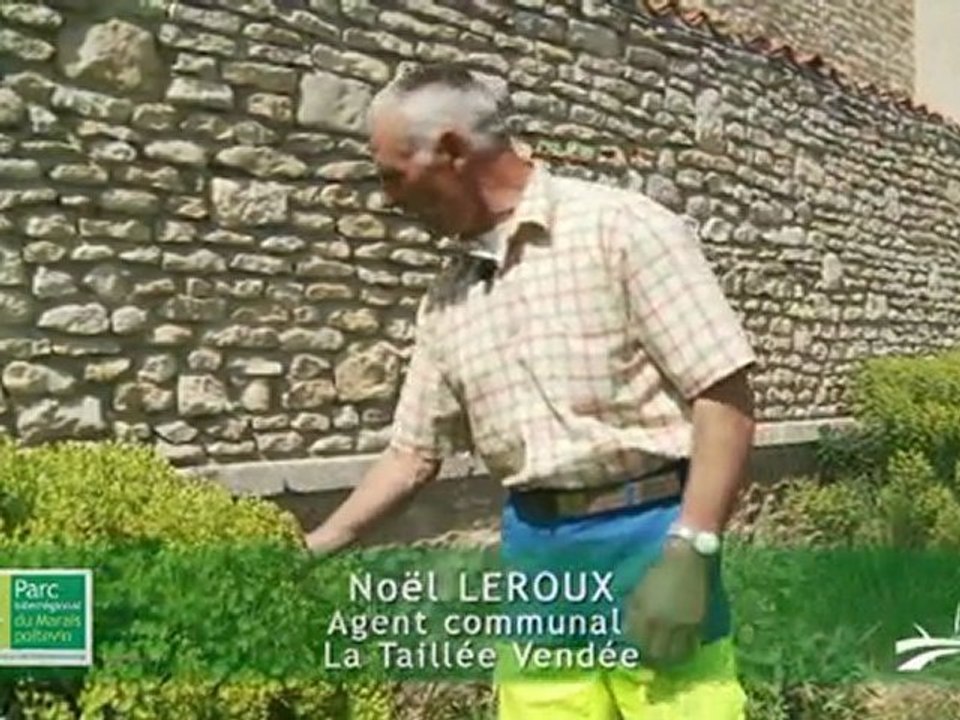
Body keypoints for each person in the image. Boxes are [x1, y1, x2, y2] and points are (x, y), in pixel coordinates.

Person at [306, 62, 757, 720]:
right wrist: (310, 549)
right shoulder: (448, 298)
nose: (389, 199)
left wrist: (693, 552)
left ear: (451, 149)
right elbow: (411, 455)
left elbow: (724, 397)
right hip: (538, 567)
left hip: (652, 544)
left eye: (392, 174)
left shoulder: (622, 230)